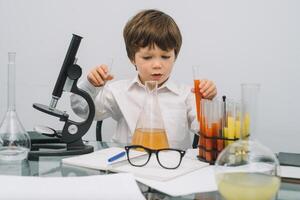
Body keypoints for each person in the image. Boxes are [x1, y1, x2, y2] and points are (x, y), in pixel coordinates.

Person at [71, 9, 217, 149]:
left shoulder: (186, 94)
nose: (157, 65)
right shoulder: (118, 91)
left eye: (165, 57)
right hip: (127, 167)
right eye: (147, 57)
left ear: (175, 56)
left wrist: (206, 101)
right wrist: (90, 85)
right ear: (132, 58)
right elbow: (83, 110)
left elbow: (206, 130)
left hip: (171, 169)